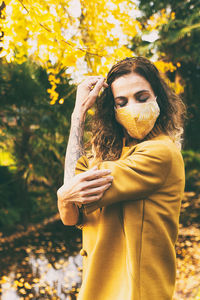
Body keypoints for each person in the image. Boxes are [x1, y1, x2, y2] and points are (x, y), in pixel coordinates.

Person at [57, 56, 186, 300]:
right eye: (121, 102)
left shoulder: (161, 153)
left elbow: (77, 193)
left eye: (142, 97)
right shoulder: (112, 155)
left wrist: (66, 195)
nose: (133, 109)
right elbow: (71, 213)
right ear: (113, 111)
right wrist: (78, 114)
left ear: (157, 96)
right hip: (97, 290)